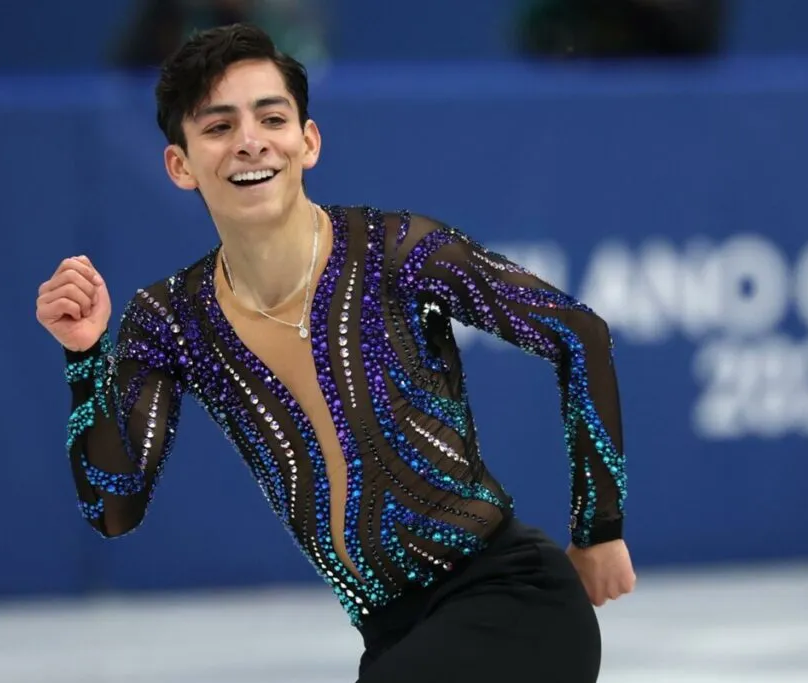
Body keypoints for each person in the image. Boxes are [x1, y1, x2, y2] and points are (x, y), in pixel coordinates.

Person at [35, 23, 635, 682]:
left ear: (308, 141)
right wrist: (85, 357)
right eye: (219, 126)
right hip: (395, 636)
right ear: (180, 164)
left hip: (513, 600)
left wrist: (599, 527)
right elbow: (114, 510)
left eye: (272, 118)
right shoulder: (171, 320)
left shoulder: (396, 253)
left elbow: (579, 332)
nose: (250, 141)